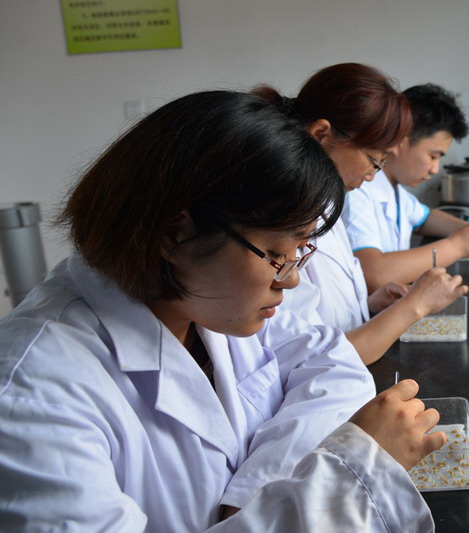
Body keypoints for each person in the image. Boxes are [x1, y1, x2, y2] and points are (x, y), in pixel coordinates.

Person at [0, 91, 445, 532]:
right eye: (276, 253)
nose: (291, 279)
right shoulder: (33, 395)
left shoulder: (208, 301)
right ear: (174, 233)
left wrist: (250, 498)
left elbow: (333, 361)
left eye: (299, 251)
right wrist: (353, 475)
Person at [253, 64, 467, 365]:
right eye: (374, 161)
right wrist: (414, 307)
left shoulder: (328, 203)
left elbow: (327, 316)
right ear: (322, 134)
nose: (371, 176)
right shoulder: (283, 220)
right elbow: (309, 358)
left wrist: (368, 305)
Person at [342, 83, 469, 293]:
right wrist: (459, 245)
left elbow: (425, 218)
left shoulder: (395, 190)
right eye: (433, 156)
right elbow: (374, 275)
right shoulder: (358, 191)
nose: (434, 169)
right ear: (399, 141)